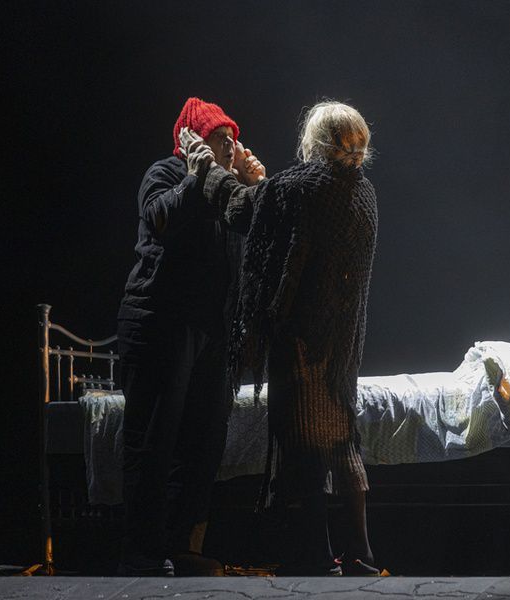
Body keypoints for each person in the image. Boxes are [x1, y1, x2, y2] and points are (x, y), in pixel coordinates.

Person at [186, 100, 378, 576]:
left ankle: (316, 557)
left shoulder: (301, 187)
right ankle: (360, 553)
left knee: (303, 442)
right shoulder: (361, 191)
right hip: (342, 344)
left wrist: (208, 168)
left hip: (302, 340)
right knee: (342, 443)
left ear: (316, 142)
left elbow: (241, 210)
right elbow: (293, 219)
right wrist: (264, 184)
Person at [115, 97, 265, 576]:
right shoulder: (165, 172)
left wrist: (256, 189)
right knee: (153, 441)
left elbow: (257, 248)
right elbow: (160, 219)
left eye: (233, 139)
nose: (231, 147)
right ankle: (141, 553)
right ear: (194, 143)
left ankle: (181, 547)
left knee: (203, 444)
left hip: (211, 333)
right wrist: (195, 176)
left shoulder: (226, 192)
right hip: (160, 323)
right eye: (220, 138)